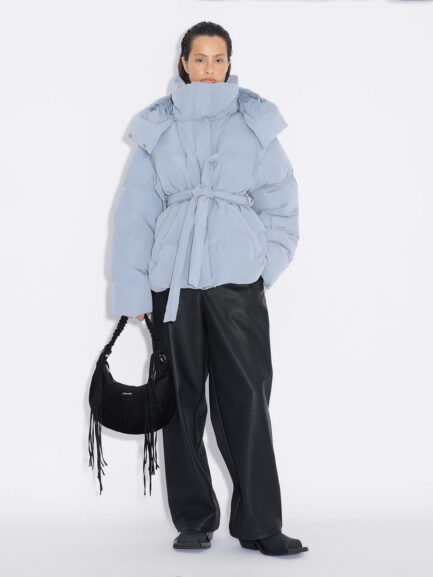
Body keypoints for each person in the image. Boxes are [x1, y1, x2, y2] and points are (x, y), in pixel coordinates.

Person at [110, 21, 308, 557]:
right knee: (180, 400)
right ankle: (194, 517)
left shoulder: (254, 123)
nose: (209, 69)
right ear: (184, 63)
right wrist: (133, 291)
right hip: (173, 283)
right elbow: (134, 215)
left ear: (229, 63)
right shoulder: (159, 127)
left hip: (236, 283)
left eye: (219, 59)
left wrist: (259, 267)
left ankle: (261, 523)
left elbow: (282, 205)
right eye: (199, 59)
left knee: (247, 401)